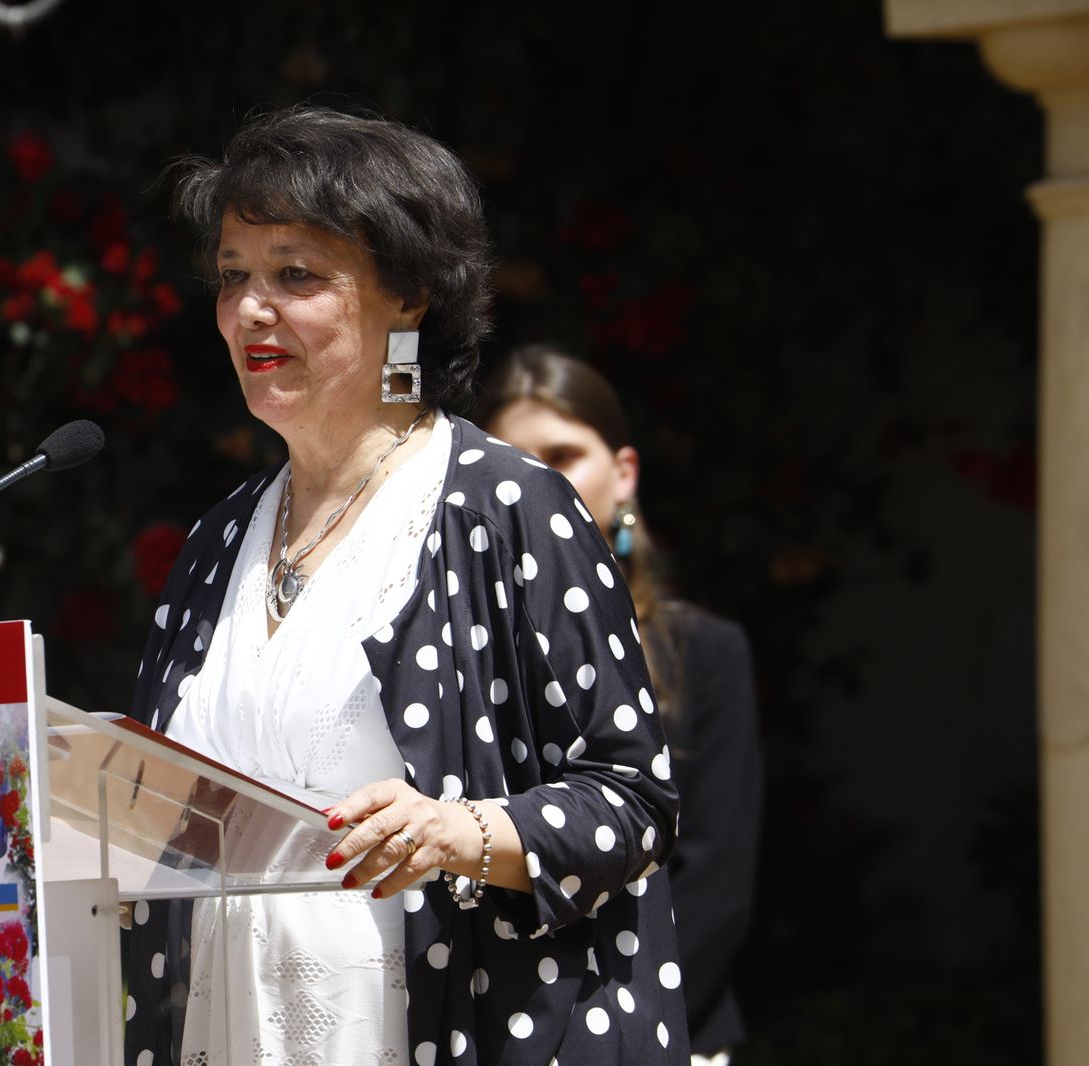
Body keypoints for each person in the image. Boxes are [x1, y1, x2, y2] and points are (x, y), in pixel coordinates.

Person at [124, 106, 689, 1066]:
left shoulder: (510, 509)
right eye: (233, 276)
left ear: (412, 294)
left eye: (296, 274)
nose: (251, 308)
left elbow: (633, 799)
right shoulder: (220, 540)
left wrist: (459, 829)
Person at [481, 346, 763, 1066]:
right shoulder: (460, 656)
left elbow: (717, 879)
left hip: (668, 1032)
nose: (537, 482)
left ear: (624, 473)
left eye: (563, 455)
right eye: (512, 461)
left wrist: (618, 1030)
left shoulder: (704, 652)